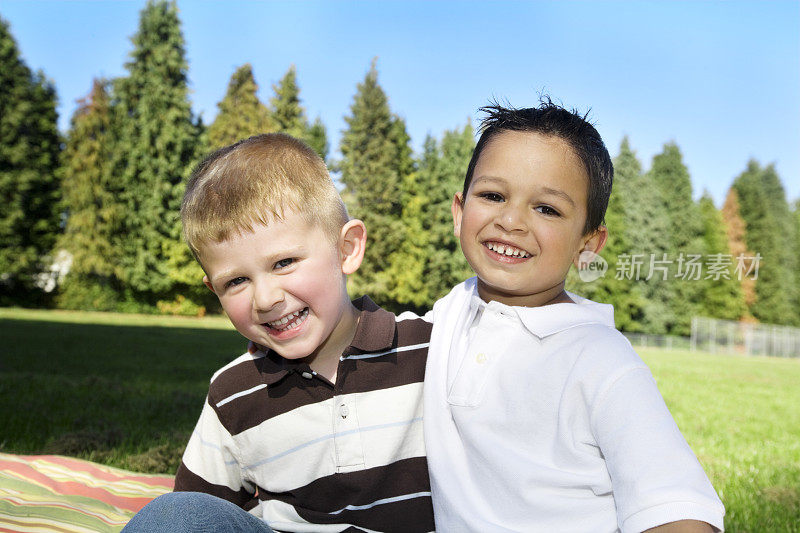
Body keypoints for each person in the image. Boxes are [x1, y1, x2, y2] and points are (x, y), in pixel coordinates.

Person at [423, 101, 726, 532]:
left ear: (588, 244)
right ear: (459, 212)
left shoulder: (601, 359)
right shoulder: (449, 314)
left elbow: (679, 511)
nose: (511, 220)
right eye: (493, 195)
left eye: (546, 208)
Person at [123, 133, 434, 532]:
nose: (266, 298)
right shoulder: (233, 392)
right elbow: (199, 510)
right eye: (236, 281)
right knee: (174, 514)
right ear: (213, 290)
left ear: (347, 249)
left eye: (284, 262)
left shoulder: (429, 351)